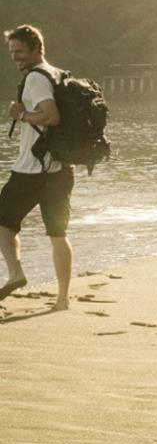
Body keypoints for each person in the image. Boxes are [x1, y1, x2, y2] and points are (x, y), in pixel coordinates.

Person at [0, 24, 74, 311]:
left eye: (19, 51)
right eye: (11, 52)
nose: (15, 57)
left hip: (33, 170)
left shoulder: (35, 78)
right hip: (61, 169)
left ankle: (16, 273)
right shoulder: (57, 74)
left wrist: (22, 114)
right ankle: (63, 298)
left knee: (3, 223)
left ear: (36, 48)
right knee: (58, 233)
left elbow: (51, 117)